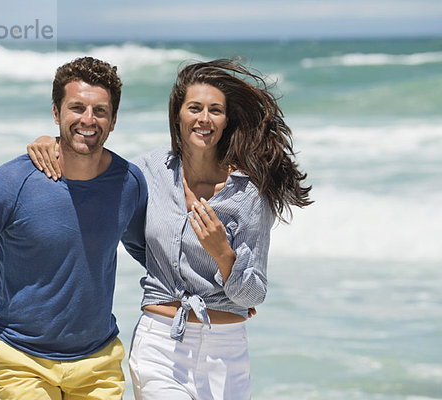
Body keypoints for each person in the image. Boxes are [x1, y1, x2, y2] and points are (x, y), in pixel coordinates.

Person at [28, 59, 312, 399]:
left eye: (215, 110)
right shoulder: (149, 171)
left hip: (227, 353)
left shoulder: (248, 193)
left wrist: (223, 255)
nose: (204, 119)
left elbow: (253, 295)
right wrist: (52, 141)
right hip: (159, 344)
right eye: (194, 108)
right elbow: (92, 169)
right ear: (178, 114)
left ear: (226, 120)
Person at [0, 56, 148, 399]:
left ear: (114, 119)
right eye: (76, 107)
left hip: (99, 362)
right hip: (21, 360)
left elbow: (146, 250)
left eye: (100, 111)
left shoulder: (128, 183)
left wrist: (212, 289)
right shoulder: (13, 182)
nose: (88, 120)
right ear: (56, 113)